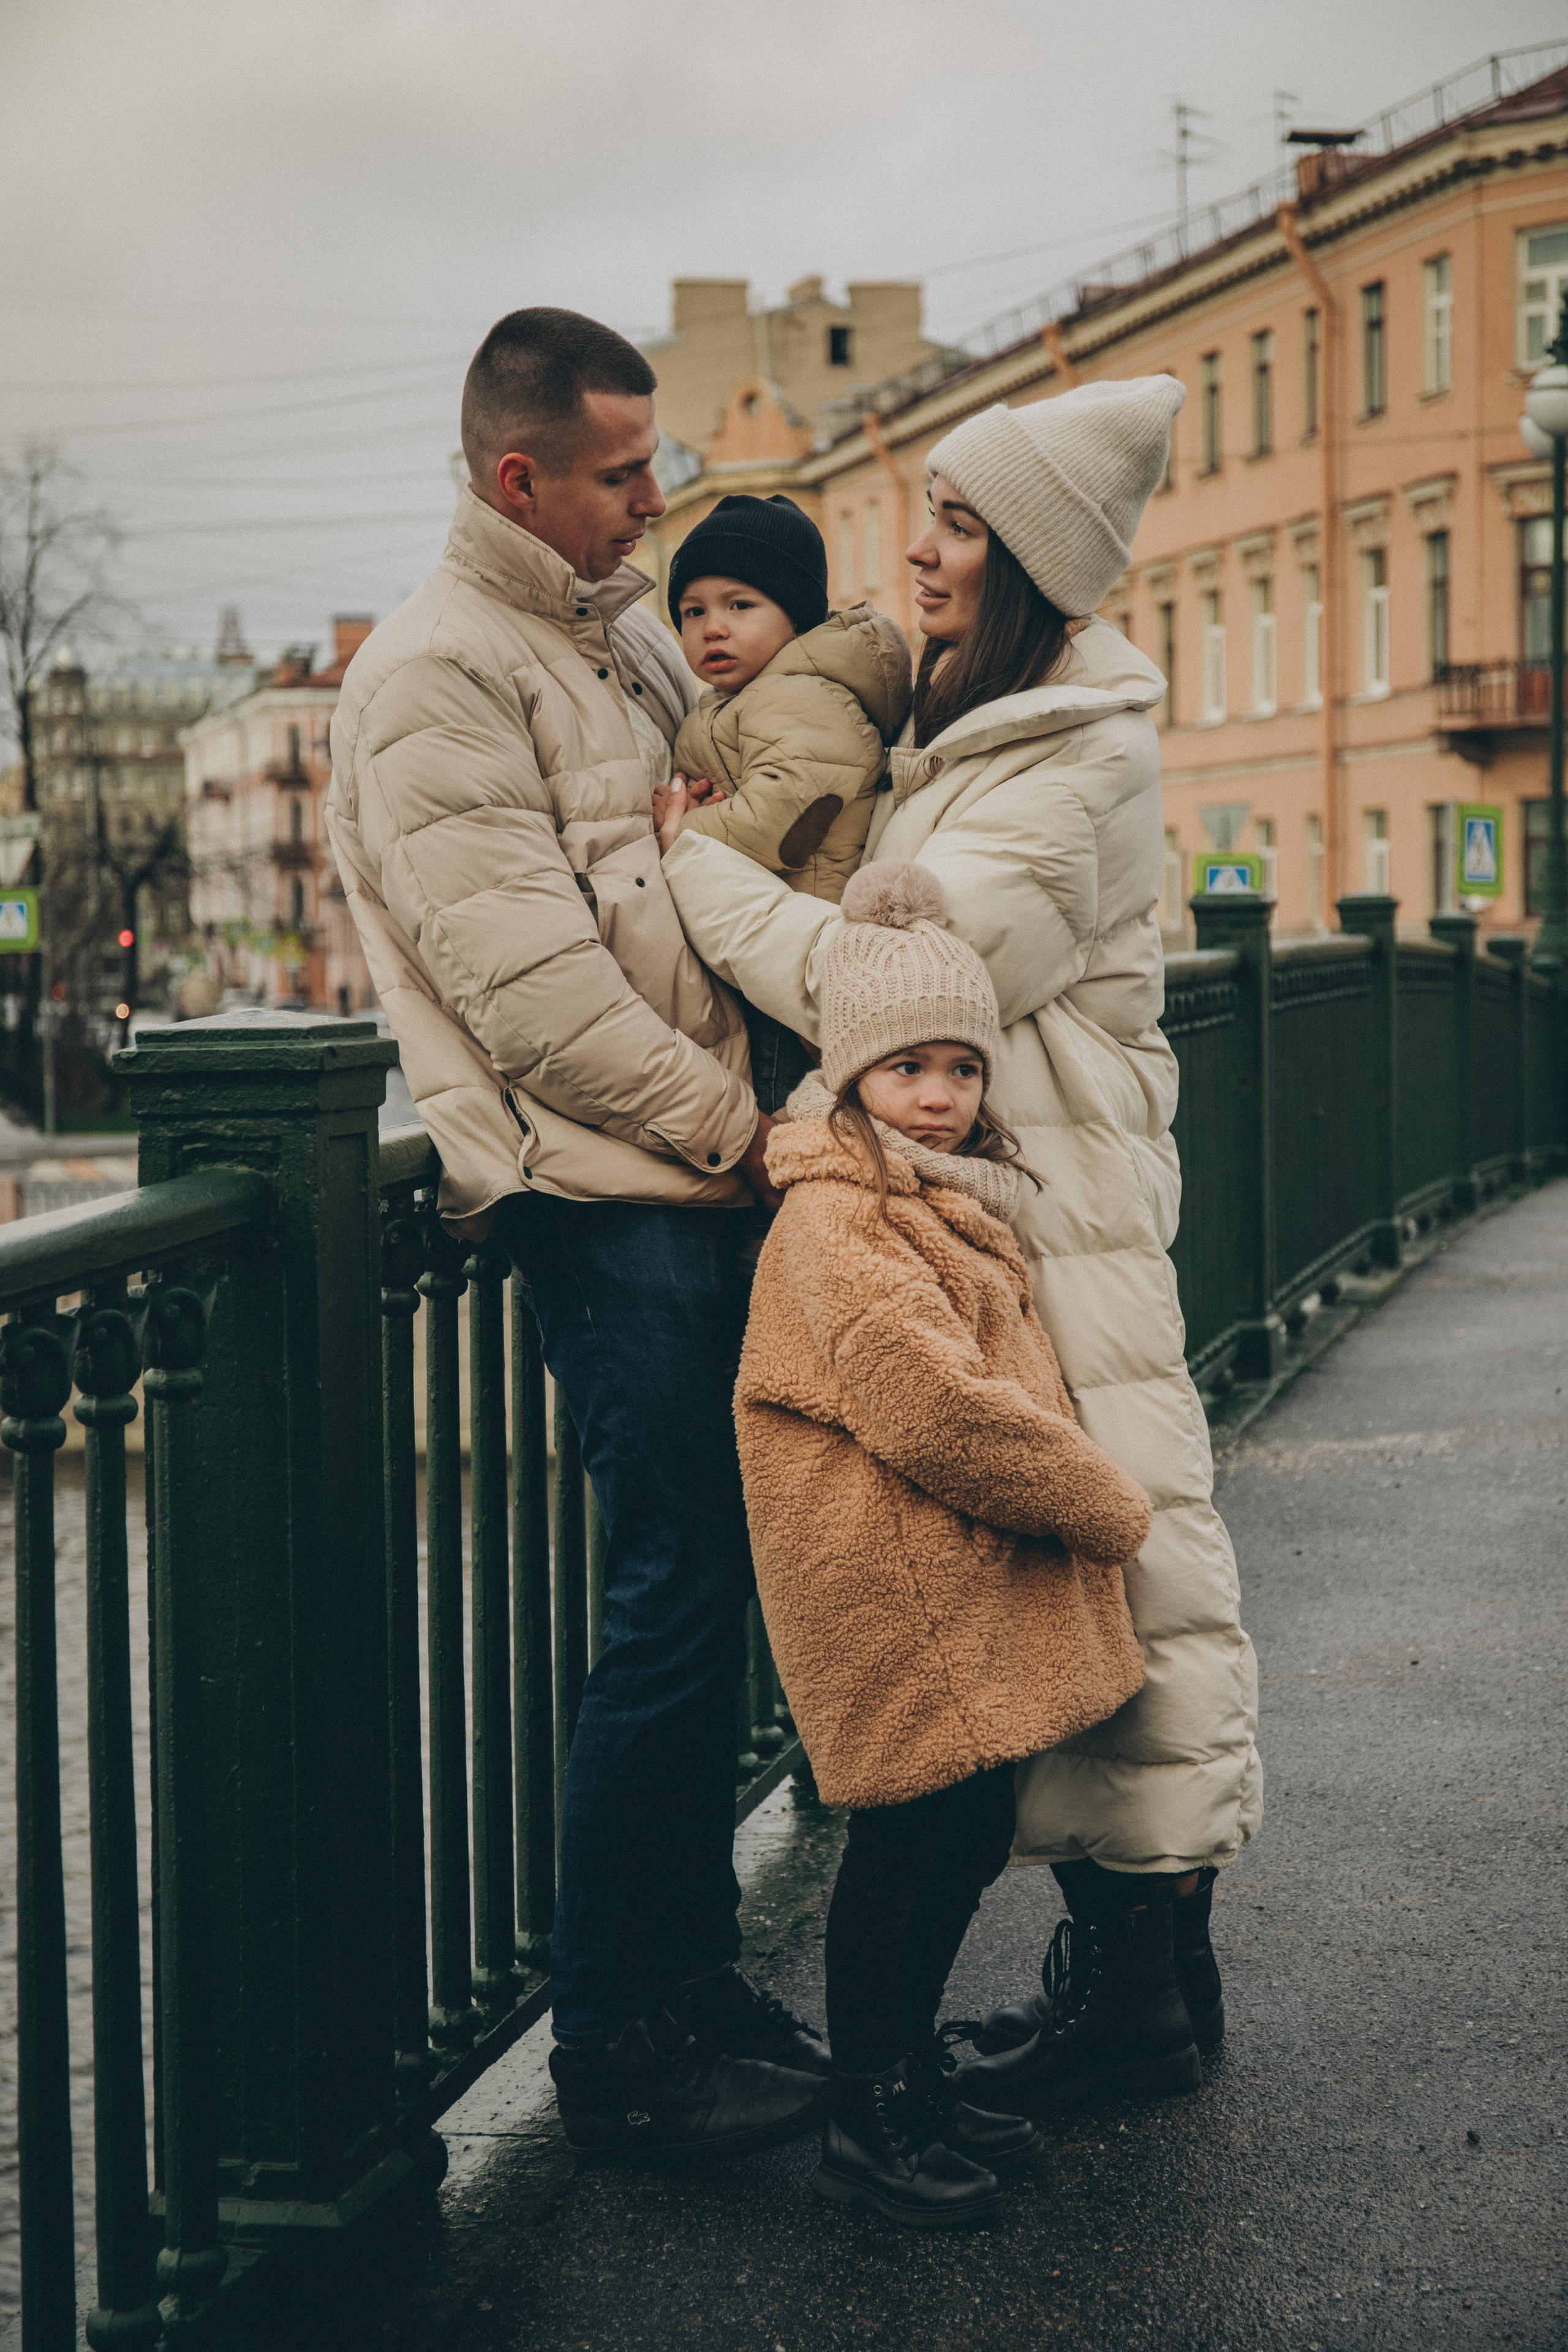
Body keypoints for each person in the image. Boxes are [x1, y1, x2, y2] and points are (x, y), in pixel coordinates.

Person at [662, 375, 1261, 2116]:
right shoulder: (979, 723)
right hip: (997, 1214)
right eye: (924, 513)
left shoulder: (1070, 761)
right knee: (1081, 1582)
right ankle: (1140, 1984)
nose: (919, 551)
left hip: (1045, 1223)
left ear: (1033, 561)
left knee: (1126, 1579)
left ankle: (1142, 1993)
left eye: (961, 526)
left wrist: (695, 869)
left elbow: (880, 988)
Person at [325, 308, 829, 2166]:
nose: (654, 498)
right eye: (622, 471)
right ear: (518, 475)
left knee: (701, 1596)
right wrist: (742, 1128)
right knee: (673, 1595)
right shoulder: (440, 674)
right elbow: (531, 995)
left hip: (693, 1187)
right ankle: (620, 2027)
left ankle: (684, 1977)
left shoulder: (608, 632)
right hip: (606, 1200)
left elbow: (695, 866)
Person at [736, 857, 1162, 2226]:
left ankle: (903, 2070)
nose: (938, 1094)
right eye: (906, 1068)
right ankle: (871, 2106)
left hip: (932, 1570)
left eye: (959, 1068)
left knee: (959, 1829)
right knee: (914, 1844)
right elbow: (932, 1407)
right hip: (889, 1578)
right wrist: (1100, 1503)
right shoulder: (838, 1213)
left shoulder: (928, 1186)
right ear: (849, 1074)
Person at [655, 492, 911, 1108]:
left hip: (795, 974)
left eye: (740, 605)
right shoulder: (746, 698)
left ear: (794, 616)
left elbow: (785, 822)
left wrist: (684, 828)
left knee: (795, 1137)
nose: (712, 627)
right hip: (766, 950)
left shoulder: (806, 697)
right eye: (692, 612)